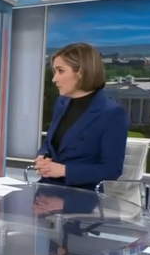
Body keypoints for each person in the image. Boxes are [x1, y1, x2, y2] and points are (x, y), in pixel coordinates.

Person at [34, 43, 128, 191]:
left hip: (83, 194)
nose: (54, 79)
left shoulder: (111, 113)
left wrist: (64, 170)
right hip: (48, 186)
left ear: (81, 72)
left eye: (60, 71)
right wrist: (43, 156)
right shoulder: (61, 102)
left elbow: (112, 170)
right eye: (55, 71)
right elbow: (49, 142)